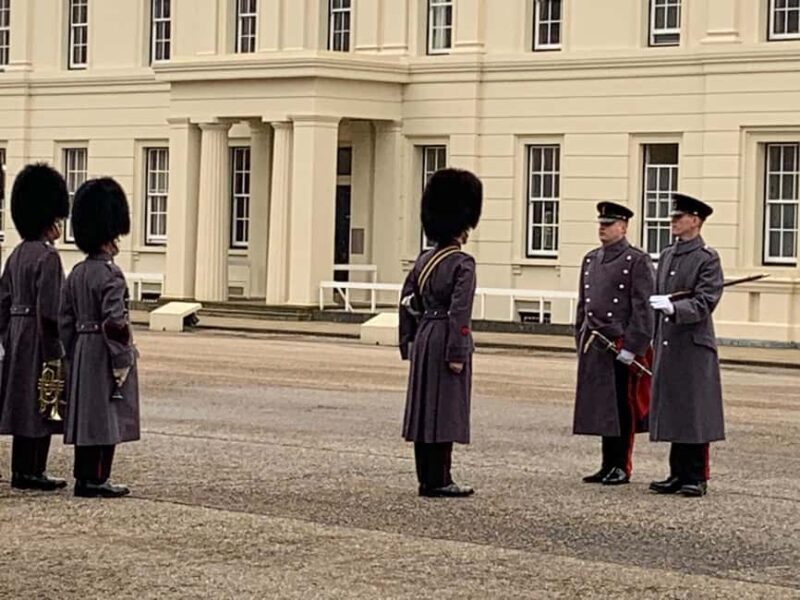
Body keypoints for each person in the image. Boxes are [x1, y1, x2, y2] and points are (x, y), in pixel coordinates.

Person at [399, 168, 482, 498]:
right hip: (446, 336)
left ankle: (426, 477)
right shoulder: (462, 263)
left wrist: (408, 341)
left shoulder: (423, 260)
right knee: (445, 410)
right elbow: (461, 312)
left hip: (424, 335)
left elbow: (406, 302)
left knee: (423, 410)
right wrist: (457, 352)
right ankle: (441, 478)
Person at [59, 177, 139, 498]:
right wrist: (122, 359)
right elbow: (115, 323)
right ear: (108, 237)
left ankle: (84, 476)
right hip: (104, 352)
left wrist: (71, 353)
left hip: (82, 348)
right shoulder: (110, 274)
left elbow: (65, 320)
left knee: (85, 417)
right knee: (107, 416)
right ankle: (98, 477)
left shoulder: (77, 272)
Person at [573, 202, 655, 485]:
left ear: (623, 227)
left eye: (608, 224)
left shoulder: (637, 260)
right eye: (601, 224)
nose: (602, 228)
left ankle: (621, 465)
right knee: (603, 407)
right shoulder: (591, 259)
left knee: (623, 406)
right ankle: (606, 464)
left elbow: (643, 308)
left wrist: (633, 346)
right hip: (595, 342)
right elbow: (584, 305)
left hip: (619, 342)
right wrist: (580, 337)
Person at [648, 192, 724, 498]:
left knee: (694, 412)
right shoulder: (668, 255)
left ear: (695, 220)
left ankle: (696, 476)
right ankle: (677, 473)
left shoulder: (707, 258)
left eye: (679, 217)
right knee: (674, 408)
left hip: (693, 345)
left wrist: (674, 308)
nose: (673, 222)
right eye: (673, 217)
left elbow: (705, 301)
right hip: (669, 341)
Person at [0, 163, 70, 490]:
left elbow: (2, 301)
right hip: (41, 337)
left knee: (21, 402)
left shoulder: (15, 254)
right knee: (44, 402)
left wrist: (8, 335)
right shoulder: (48, 257)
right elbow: (50, 311)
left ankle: (21, 470)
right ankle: (34, 471)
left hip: (17, 334)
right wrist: (56, 351)